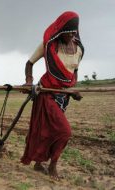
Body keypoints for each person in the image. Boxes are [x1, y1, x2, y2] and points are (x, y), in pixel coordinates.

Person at [20, 11, 84, 180]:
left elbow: (74, 72)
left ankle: (38, 164)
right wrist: (28, 81)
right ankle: (53, 165)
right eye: (67, 32)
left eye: (73, 32)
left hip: (64, 96)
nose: (71, 35)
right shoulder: (48, 45)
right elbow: (29, 63)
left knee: (47, 131)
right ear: (60, 30)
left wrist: (72, 89)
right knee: (64, 131)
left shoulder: (79, 49)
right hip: (47, 92)